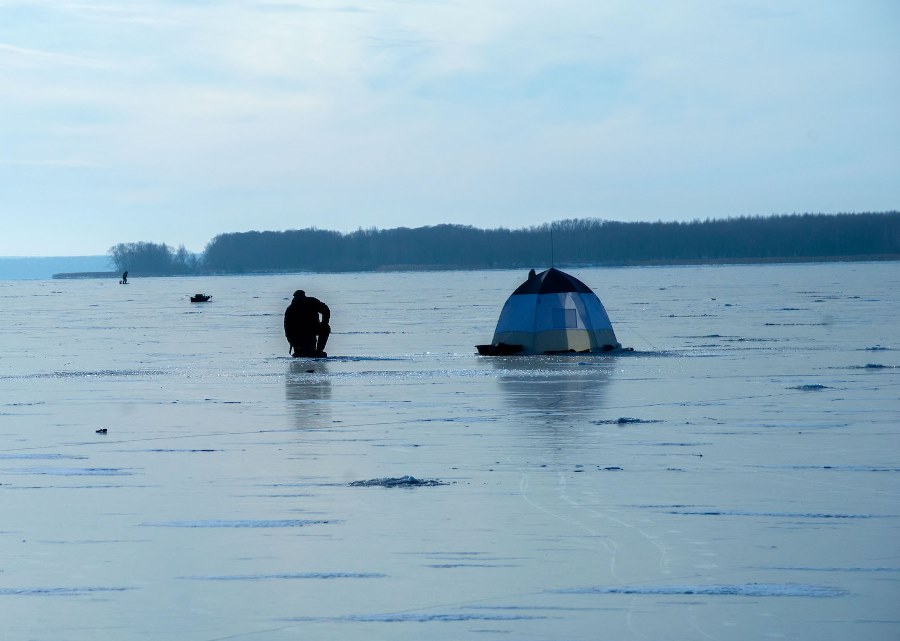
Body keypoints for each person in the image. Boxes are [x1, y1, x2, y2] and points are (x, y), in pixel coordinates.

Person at [284, 290, 331, 357]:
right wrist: (294, 344)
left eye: (302, 296)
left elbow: (325, 310)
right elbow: (288, 329)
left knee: (325, 328)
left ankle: (319, 350)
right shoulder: (291, 309)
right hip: (300, 334)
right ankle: (300, 351)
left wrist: (324, 322)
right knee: (306, 353)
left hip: (313, 329)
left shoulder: (312, 302)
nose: (301, 298)